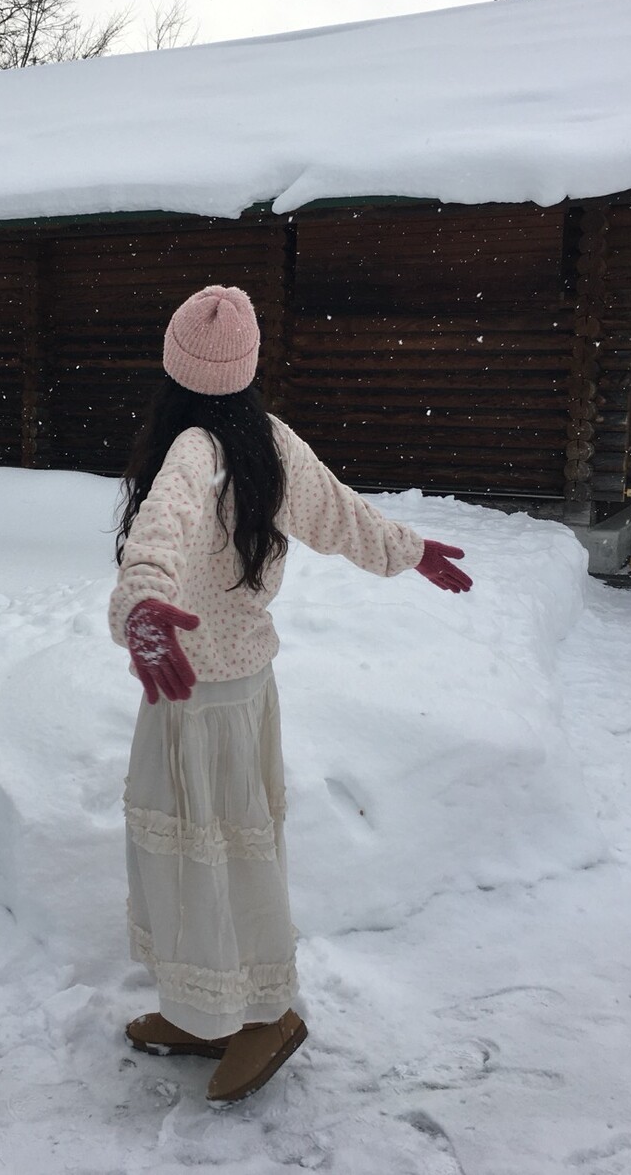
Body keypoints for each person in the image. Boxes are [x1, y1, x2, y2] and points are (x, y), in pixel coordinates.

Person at [108, 285, 472, 1106]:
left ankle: (266, 1016)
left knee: (216, 860)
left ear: (174, 370)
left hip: (198, 697)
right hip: (227, 692)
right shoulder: (264, 437)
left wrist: (142, 605)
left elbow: (159, 534)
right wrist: (410, 551)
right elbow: (345, 517)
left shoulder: (194, 449)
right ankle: (205, 1009)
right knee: (216, 854)